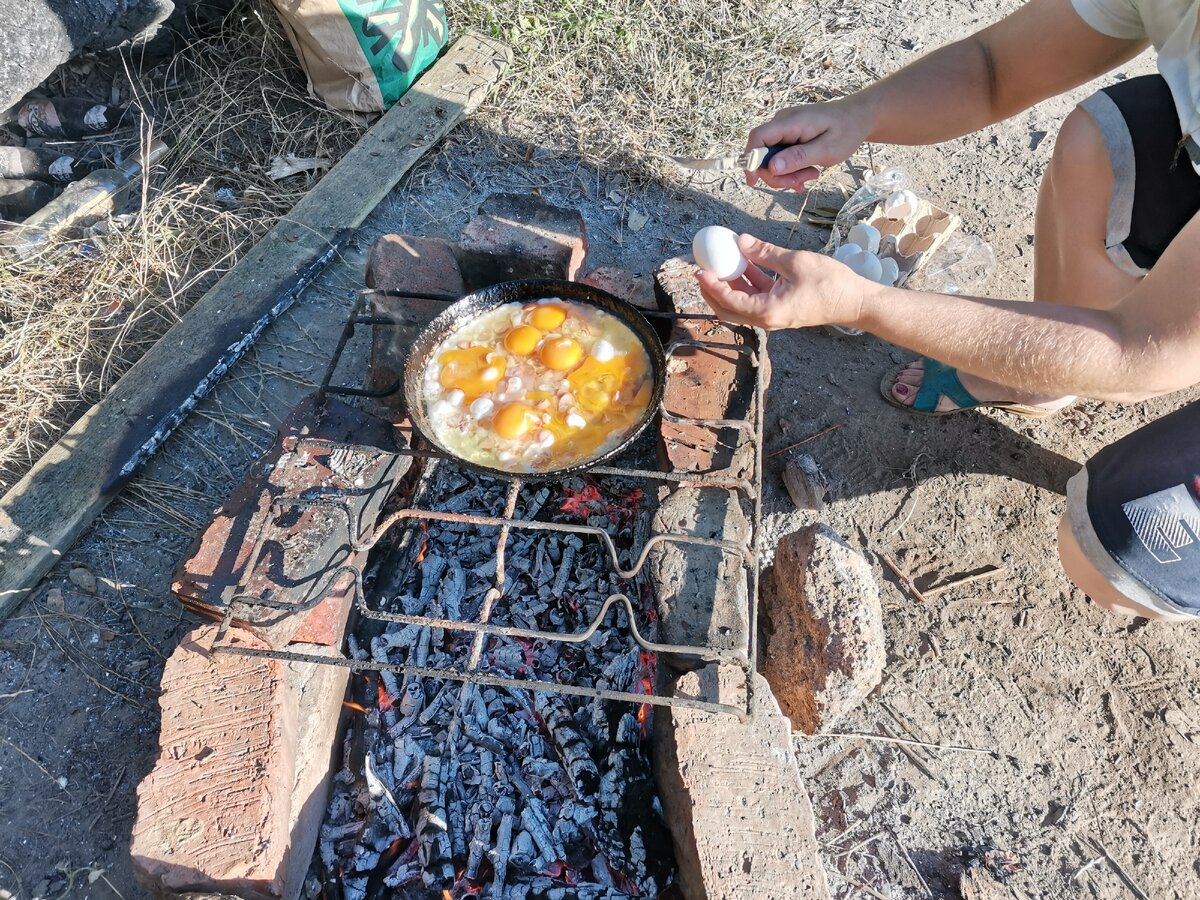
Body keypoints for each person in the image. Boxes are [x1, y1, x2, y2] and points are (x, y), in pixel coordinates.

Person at [694, 0, 1200, 622]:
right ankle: (1036, 378)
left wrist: (864, 301)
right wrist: (860, 113)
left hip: (1140, 344)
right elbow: (994, 68)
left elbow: (1134, 350)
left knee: (1112, 548)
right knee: (1106, 140)